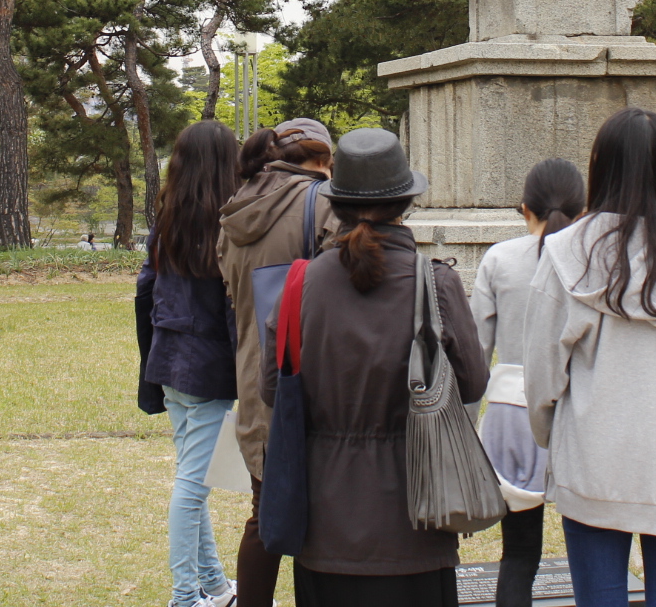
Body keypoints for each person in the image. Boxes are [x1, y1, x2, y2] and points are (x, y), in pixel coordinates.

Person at [264, 127, 487, 606]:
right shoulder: (436, 283)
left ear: (337, 203)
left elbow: (271, 388)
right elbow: (472, 381)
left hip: (324, 522)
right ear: (405, 202)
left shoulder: (300, 285)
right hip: (420, 514)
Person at [522, 108, 656, 607]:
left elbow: (542, 373)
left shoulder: (567, 252)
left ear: (599, 164)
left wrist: (553, 433)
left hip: (596, 455)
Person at [218, 118, 337, 607]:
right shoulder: (324, 204)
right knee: (326, 514)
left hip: (254, 374)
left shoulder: (236, 209)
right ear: (324, 158)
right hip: (310, 379)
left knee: (264, 513)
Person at [136, 120, 244, 607]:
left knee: (191, 476)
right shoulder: (229, 224)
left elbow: (144, 291)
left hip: (169, 359)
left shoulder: (168, 217)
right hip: (207, 367)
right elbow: (233, 307)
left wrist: (149, 357)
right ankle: (185, 596)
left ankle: (214, 585)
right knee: (193, 486)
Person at [472, 158, 587, 607]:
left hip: (511, 415)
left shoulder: (499, 259)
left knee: (519, 552)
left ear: (524, 209)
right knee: (594, 550)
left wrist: (466, 427)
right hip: (579, 409)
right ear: (583, 211)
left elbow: (477, 353)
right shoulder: (595, 263)